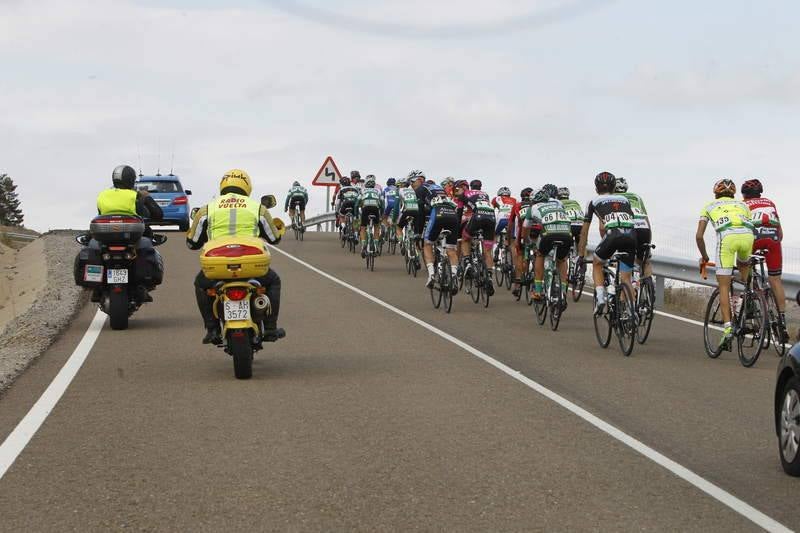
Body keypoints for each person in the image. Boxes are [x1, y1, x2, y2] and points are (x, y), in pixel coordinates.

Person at [186, 169, 285, 345]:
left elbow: (192, 243)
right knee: (273, 281)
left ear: (223, 186)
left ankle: (212, 329)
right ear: (247, 186)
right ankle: (270, 328)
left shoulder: (207, 209)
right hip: (251, 264)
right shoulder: (258, 208)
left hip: (218, 265)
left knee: (200, 285)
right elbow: (274, 238)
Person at [85, 164, 165, 303]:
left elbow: (100, 213)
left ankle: (96, 287)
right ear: (131, 179)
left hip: (106, 235)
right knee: (146, 245)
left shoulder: (103, 195)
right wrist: (147, 198)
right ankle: (142, 285)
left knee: (93, 248)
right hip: (131, 235)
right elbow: (157, 215)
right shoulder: (135, 195)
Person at [696, 179, 755, 347]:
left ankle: (728, 328)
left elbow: (699, 236)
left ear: (716, 193)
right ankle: (748, 301)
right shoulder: (743, 205)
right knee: (744, 272)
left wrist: (705, 256)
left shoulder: (709, 206)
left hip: (727, 238)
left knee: (724, 285)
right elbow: (750, 226)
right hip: (747, 236)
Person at [578, 171, 637, 315]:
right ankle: (632, 312)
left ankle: (600, 298)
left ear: (596, 188)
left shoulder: (593, 201)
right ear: (613, 187)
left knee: (597, 263)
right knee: (626, 279)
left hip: (613, 235)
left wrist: (581, 254)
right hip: (631, 236)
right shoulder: (624, 199)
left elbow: (584, 232)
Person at [741, 178, 789, 343]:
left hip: (753, 239)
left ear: (744, 195)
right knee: (775, 280)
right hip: (774, 240)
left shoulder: (743, 205)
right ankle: (782, 322)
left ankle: (749, 300)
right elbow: (781, 233)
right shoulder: (770, 203)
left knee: (743, 265)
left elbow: (741, 230)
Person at [522, 189, 572, 301]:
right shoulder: (558, 205)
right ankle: (563, 290)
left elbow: (525, 229)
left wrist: (527, 241)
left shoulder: (533, 208)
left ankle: (538, 291)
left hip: (549, 234)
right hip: (566, 233)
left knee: (540, 255)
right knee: (562, 259)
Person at [458, 178, 496, 295]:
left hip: (477, 217)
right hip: (491, 218)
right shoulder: (485, 195)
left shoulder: (464, 194)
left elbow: (460, 212)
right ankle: (489, 276)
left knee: (465, 238)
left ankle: (468, 262)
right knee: (488, 251)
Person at [422, 184, 460, 290]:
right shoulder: (447, 196)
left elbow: (425, 212)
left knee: (427, 244)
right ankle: (453, 277)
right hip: (453, 216)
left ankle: (431, 275)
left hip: (438, 214)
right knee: (451, 250)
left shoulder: (427, 194)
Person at [615, 177, 653, 280]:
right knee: (645, 261)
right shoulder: (637, 197)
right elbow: (646, 219)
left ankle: (630, 286)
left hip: (627, 230)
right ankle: (648, 290)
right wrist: (648, 241)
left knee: (625, 258)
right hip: (644, 229)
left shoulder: (613, 198)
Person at [509, 187, 534, 297]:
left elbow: (510, 223)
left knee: (520, 255)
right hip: (538, 230)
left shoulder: (517, 205)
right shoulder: (536, 205)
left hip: (523, 231)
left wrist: (509, 238)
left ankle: (518, 283)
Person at [356, 176, 384, 257]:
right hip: (375, 209)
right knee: (376, 227)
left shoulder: (362, 190)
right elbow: (382, 204)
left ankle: (363, 245)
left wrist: (357, 214)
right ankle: (375, 246)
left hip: (365, 209)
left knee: (363, 227)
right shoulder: (378, 190)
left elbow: (357, 204)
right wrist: (381, 215)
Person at [492, 187, 517, 261]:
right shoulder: (515, 200)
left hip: (501, 219)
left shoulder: (496, 198)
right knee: (512, 243)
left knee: (493, 235)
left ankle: (493, 253)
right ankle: (514, 265)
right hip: (512, 220)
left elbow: (491, 210)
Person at [557, 187, 584, 252]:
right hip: (580, 225)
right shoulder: (575, 202)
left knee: (563, 246)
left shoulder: (557, 202)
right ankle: (582, 258)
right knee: (582, 243)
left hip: (568, 226)